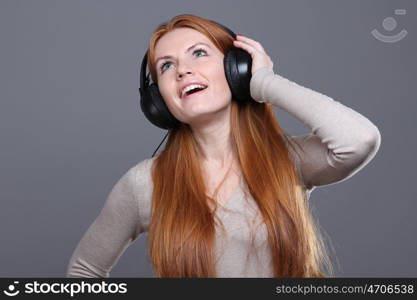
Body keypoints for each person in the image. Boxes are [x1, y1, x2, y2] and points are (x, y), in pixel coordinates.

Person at [66, 14, 381, 278]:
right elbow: (83, 273)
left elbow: (358, 139)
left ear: (236, 68)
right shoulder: (144, 184)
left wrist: (265, 84)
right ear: (157, 100)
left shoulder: (289, 159)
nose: (182, 70)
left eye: (199, 53)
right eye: (165, 66)